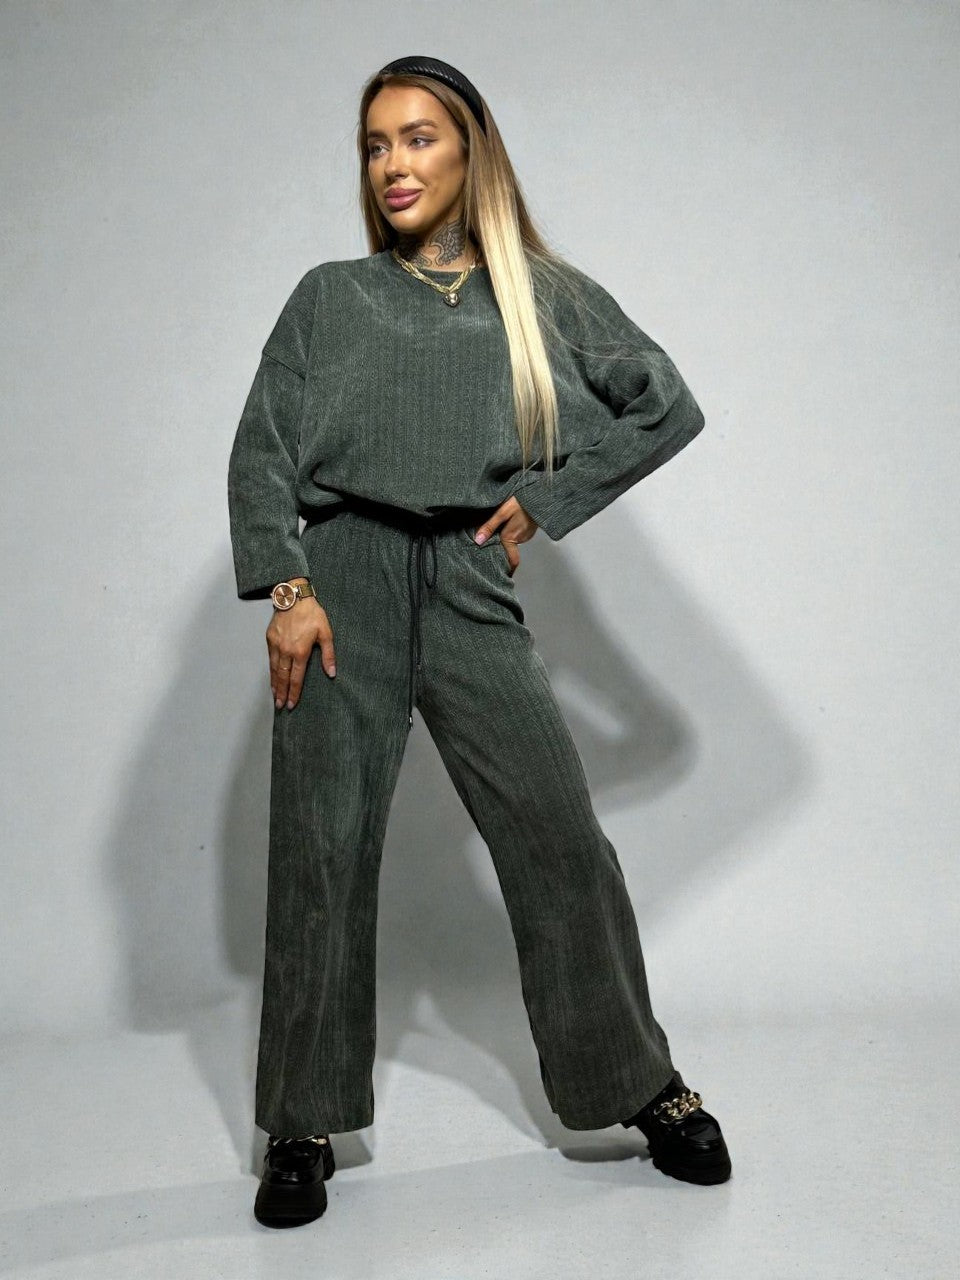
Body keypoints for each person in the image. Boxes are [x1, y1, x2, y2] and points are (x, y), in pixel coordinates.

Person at [228, 54, 731, 1230]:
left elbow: (666, 401)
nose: (393, 165)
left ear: (472, 151)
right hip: (342, 578)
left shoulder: (541, 296)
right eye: (375, 145)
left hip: (467, 575)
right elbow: (262, 446)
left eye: (418, 138)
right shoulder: (330, 297)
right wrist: (289, 585)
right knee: (322, 848)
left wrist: (551, 498)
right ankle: (300, 1119)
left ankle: (638, 1081)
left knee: (560, 841)